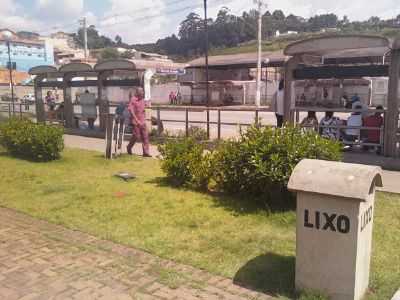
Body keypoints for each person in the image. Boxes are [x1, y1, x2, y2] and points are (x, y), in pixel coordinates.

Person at [127, 87, 151, 157]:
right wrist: (136, 120)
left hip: (143, 122)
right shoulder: (133, 100)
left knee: (145, 137)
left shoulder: (143, 100)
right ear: (137, 92)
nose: (142, 93)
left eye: (142, 91)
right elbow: (131, 111)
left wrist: (148, 104)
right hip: (136, 122)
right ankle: (129, 147)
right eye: (141, 91)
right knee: (136, 136)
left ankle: (146, 153)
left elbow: (145, 107)